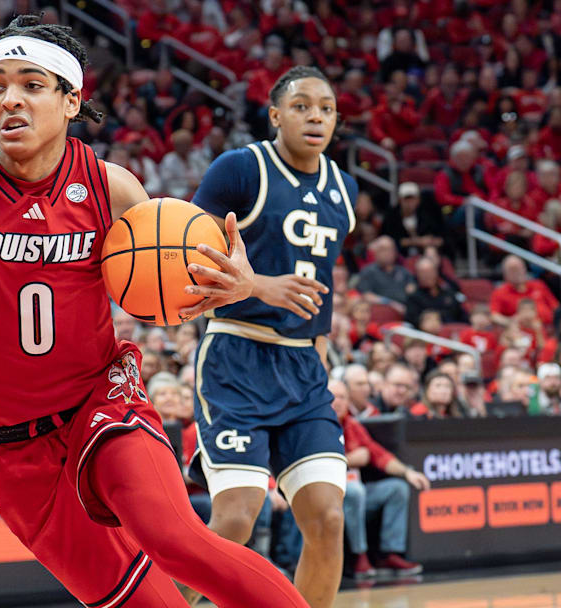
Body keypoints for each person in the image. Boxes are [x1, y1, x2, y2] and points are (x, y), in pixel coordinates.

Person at [0, 16, 308, 608]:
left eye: (32, 85)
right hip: (9, 448)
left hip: (100, 402)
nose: (10, 99)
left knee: (175, 539)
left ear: (71, 100)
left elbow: (169, 299)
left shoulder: (111, 188)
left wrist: (227, 288)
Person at [188, 65, 357, 608]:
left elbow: (321, 277)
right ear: (276, 113)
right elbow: (183, 255)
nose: (316, 116)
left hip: (304, 367)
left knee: (329, 518)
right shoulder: (241, 169)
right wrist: (261, 285)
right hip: (236, 355)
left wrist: (323, 349)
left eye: (326, 108)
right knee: (235, 520)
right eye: (303, 105)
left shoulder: (344, 187)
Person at [330, 379, 429, 580]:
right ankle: (359, 556)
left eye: (342, 397)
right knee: (355, 490)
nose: (338, 402)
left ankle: (389, 553)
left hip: (355, 496)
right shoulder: (315, 427)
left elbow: (378, 454)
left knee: (397, 488)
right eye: (333, 397)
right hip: (328, 499)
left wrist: (407, 472)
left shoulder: (351, 425)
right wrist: (348, 460)